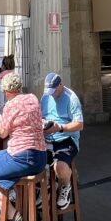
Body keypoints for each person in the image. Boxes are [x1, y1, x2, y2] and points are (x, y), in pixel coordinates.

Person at [0, 72, 47, 221]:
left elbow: (2, 134)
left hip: (22, 158)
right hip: (40, 157)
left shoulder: (10, 105)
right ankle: (3, 203)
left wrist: (2, 120)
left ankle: (10, 212)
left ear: (6, 91)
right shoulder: (33, 98)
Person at [40, 72, 84, 210]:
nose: (51, 94)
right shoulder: (45, 96)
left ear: (61, 85)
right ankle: (43, 190)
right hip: (47, 137)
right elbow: (40, 116)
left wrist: (60, 128)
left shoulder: (71, 98)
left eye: (54, 91)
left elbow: (80, 124)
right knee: (33, 161)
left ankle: (66, 185)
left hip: (66, 138)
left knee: (59, 166)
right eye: (49, 91)